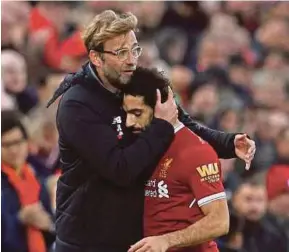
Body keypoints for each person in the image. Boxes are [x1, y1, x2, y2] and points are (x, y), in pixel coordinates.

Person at [46, 10, 255, 252]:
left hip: (131, 238)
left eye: (135, 50)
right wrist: (161, 126)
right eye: (120, 52)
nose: (131, 60)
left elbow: (180, 122)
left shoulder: (133, 81)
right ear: (96, 57)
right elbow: (120, 168)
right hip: (85, 240)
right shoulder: (77, 104)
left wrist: (228, 143)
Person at [124, 67, 229, 252]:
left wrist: (167, 240)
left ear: (161, 106)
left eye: (137, 113)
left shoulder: (196, 152)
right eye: (127, 113)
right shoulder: (142, 146)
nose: (129, 122)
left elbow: (220, 221)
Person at [1, 110, 55, 252]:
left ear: (27, 142)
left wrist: (48, 224)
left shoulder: (36, 180)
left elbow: (54, 230)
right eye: (5, 145)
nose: (13, 150)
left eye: (17, 142)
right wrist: (20, 219)